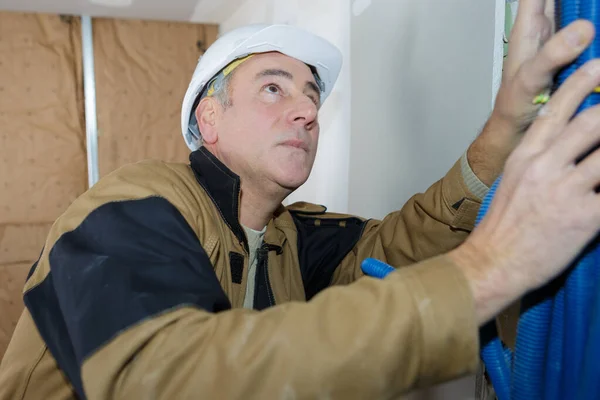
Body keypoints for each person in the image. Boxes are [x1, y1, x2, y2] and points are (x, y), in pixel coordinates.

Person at [1, 0, 599, 398]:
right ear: (209, 120)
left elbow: (405, 241)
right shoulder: (135, 205)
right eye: (272, 88)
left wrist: (506, 122)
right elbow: (165, 377)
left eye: (312, 96)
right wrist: (487, 272)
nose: (307, 111)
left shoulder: (290, 236)